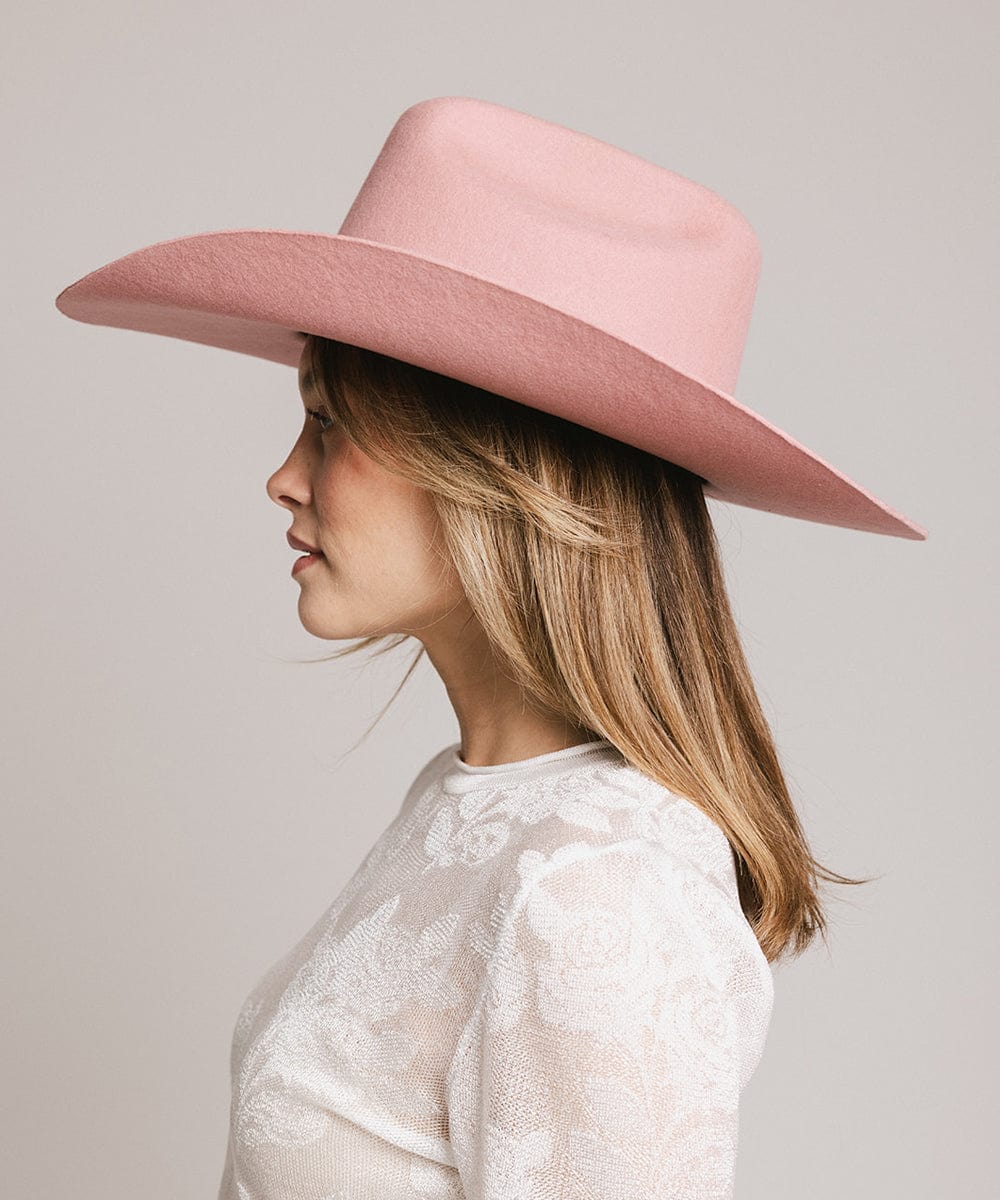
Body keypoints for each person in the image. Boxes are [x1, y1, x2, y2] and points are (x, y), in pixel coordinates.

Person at [54, 95, 927, 1199]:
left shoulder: (595, 885)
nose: (283, 476)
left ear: (497, 475)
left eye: (328, 423)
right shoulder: (469, 806)